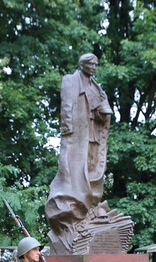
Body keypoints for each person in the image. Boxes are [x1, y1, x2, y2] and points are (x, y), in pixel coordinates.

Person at [45, 53, 113, 247]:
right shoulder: (70, 80)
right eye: (91, 64)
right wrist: (67, 128)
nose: (94, 67)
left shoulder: (96, 87)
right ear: (82, 64)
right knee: (73, 169)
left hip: (93, 133)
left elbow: (102, 107)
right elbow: (66, 104)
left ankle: (90, 206)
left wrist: (103, 112)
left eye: (96, 64)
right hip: (77, 133)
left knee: (93, 169)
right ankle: (73, 205)